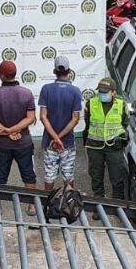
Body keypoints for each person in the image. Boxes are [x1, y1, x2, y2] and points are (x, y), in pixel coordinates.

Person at [0, 60, 37, 192]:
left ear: (2, 76)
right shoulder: (27, 93)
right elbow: (30, 118)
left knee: (0, 177)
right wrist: (12, 130)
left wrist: (8, 131)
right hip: (23, 141)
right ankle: (32, 203)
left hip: (3, 143)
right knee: (29, 176)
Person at [37, 55, 82, 194]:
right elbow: (75, 119)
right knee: (68, 176)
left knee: (49, 176)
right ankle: (69, 203)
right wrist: (60, 138)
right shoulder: (75, 91)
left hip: (50, 142)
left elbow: (43, 117)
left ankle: (47, 203)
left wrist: (55, 138)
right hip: (67, 142)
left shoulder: (46, 89)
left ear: (54, 71)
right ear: (69, 71)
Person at [84, 77, 129, 199]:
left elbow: (125, 123)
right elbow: (88, 123)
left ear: (114, 92)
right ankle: (99, 202)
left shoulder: (121, 105)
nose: (101, 94)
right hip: (94, 146)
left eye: (105, 92)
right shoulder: (91, 103)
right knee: (96, 176)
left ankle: (117, 203)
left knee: (117, 177)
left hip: (114, 146)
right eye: (100, 91)